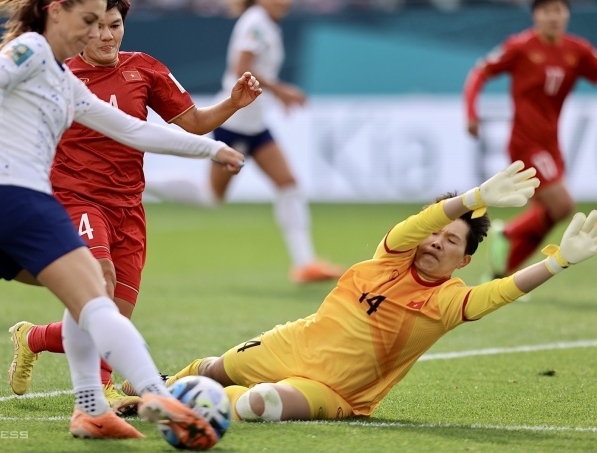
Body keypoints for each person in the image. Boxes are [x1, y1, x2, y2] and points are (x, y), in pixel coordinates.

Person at [0, 0, 247, 444]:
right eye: (89, 22)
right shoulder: (32, 48)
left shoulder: (62, 78)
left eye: (108, 24)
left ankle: (90, 408)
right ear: (56, 13)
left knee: (90, 299)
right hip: (17, 200)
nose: (98, 34)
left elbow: (132, 130)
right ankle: (156, 394)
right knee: (97, 292)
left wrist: (211, 149)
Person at [124, 162, 597, 422]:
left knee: (259, 404)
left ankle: (170, 406)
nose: (436, 241)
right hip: (293, 342)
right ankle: (152, 389)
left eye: (452, 241)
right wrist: (474, 198)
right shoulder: (391, 253)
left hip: (334, 390)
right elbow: (419, 223)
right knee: (213, 368)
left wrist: (557, 262)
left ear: (464, 260)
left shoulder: (449, 301)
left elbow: (503, 291)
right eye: (437, 233)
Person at [6, 0, 261, 417]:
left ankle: (33, 338)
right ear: (81, 26)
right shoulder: (59, 73)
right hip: (76, 199)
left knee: (112, 318)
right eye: (98, 26)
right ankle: (100, 391)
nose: (107, 36)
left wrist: (233, 103)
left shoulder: (144, 68)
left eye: (116, 25)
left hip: (128, 207)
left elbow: (193, 122)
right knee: (99, 287)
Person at [144, 0, 345, 284]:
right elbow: (242, 69)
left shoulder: (265, 24)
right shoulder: (255, 22)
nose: (285, 2)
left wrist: (276, 93)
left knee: (288, 184)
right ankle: (142, 182)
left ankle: (305, 263)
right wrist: (281, 90)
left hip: (255, 123)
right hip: (235, 123)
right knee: (212, 197)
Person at [463, 0, 597, 279]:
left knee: (549, 214)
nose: (553, 16)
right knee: (562, 206)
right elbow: (479, 73)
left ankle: (502, 274)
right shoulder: (520, 46)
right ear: (535, 15)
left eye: (559, 10)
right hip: (526, 141)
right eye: (547, 10)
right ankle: (508, 232)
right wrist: (472, 113)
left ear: (567, 15)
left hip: (552, 143)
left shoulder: (578, 50)